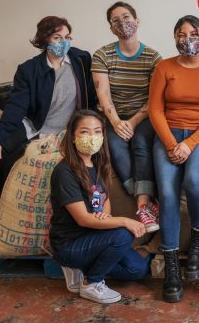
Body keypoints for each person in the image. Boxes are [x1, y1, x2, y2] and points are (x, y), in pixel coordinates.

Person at [0, 16, 97, 222]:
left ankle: (1, 205)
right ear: (45, 40)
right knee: (1, 148)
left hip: (66, 129)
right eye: (57, 37)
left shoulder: (80, 60)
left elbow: (92, 95)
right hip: (36, 125)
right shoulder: (29, 70)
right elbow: (16, 106)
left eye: (67, 37)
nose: (64, 42)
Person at [148, 15, 199, 303]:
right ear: (174, 39)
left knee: (195, 180)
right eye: (181, 34)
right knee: (168, 193)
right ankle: (172, 266)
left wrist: (189, 144)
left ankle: (198, 239)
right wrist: (173, 144)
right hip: (168, 134)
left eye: (193, 33)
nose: (188, 39)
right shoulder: (164, 67)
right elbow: (155, 110)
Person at [50, 110, 150, 304]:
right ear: (72, 136)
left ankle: (82, 268)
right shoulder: (64, 172)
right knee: (123, 234)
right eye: (85, 132)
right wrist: (122, 221)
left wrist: (105, 216)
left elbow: (104, 199)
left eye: (97, 132)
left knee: (137, 268)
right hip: (70, 244)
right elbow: (83, 219)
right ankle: (91, 282)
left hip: (93, 238)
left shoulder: (98, 164)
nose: (93, 137)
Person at [92, 1, 163, 233]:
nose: (122, 23)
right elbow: (103, 93)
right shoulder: (102, 55)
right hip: (113, 115)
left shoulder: (153, 57)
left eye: (126, 17)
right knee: (113, 143)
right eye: (115, 20)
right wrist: (116, 123)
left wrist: (132, 122)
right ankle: (144, 200)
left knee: (142, 142)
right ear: (111, 28)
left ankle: (142, 204)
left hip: (143, 116)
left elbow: (154, 98)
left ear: (137, 21)